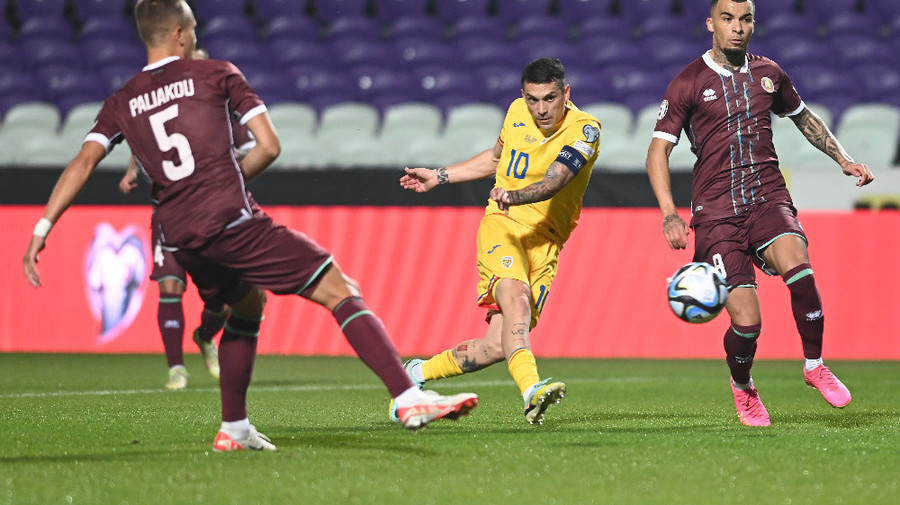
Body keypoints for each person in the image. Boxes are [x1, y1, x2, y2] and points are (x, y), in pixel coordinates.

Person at [24, 0, 478, 451]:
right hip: (229, 219)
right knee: (340, 288)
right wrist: (223, 181)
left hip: (180, 236)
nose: (196, 35)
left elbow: (83, 163)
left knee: (246, 305)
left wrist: (41, 230)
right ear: (180, 33)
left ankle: (234, 428)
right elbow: (269, 145)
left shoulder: (122, 101)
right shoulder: (216, 73)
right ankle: (408, 397)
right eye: (194, 27)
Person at [646, 0, 874, 427]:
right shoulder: (687, 83)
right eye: (728, 19)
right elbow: (658, 150)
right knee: (748, 322)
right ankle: (744, 386)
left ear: (753, 24)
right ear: (710, 24)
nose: (737, 28)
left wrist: (843, 159)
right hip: (715, 211)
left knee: (801, 273)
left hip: (767, 196)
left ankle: (814, 365)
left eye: (745, 19)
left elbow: (804, 118)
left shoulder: (770, 73)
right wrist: (668, 214)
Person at [397, 57, 601, 425]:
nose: (540, 109)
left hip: (546, 242)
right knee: (517, 301)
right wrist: (440, 176)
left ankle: (413, 375)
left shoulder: (585, 130)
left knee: (496, 345)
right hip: (503, 225)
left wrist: (516, 194)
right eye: (532, 99)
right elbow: (495, 159)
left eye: (549, 99)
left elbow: (556, 180)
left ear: (566, 93)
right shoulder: (515, 112)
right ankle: (531, 391)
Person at [117, 47, 252, 390]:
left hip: (214, 215)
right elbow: (142, 139)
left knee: (221, 301)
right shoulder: (158, 106)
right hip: (169, 214)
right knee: (170, 285)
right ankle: (176, 368)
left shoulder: (219, 112)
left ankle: (205, 336)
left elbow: (251, 148)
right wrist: (133, 170)